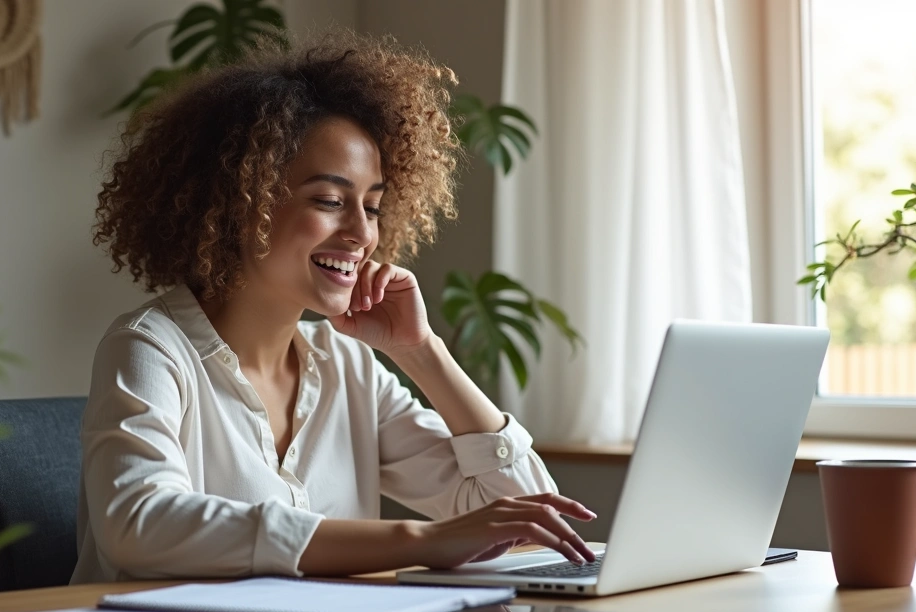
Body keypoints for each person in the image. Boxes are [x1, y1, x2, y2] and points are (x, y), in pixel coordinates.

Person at [71, 31, 595, 584]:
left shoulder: (348, 366)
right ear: (236, 205)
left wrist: (421, 352)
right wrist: (420, 539)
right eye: (328, 201)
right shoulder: (150, 349)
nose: (361, 234)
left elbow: (531, 515)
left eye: (372, 207)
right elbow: (138, 525)